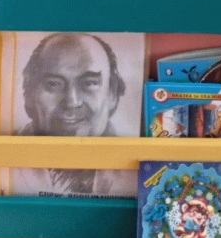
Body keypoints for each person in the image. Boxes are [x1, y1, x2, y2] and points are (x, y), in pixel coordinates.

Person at [12, 32, 133, 197]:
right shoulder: (6, 167)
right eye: (53, 84)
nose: (72, 102)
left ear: (112, 93)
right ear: (29, 94)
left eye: (88, 83)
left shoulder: (133, 173)